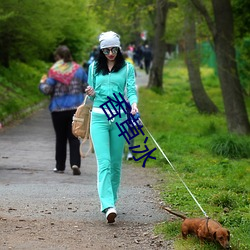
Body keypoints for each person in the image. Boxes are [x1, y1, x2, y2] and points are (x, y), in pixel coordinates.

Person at [85, 31, 138, 223]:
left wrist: (133, 103)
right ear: (101, 50)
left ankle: (112, 201)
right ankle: (107, 205)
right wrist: (90, 92)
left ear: (119, 48)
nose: (110, 53)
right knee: (104, 163)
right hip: (98, 118)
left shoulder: (127, 68)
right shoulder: (93, 68)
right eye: (106, 50)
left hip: (120, 118)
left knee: (116, 164)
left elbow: (131, 90)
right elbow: (91, 97)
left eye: (114, 49)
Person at [39, 45, 88, 175]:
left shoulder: (54, 71)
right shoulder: (79, 70)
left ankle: (60, 166)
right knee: (74, 137)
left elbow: (47, 90)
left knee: (60, 138)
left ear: (58, 57)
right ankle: (75, 163)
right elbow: (86, 87)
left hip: (58, 109)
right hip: (75, 109)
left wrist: (42, 83)